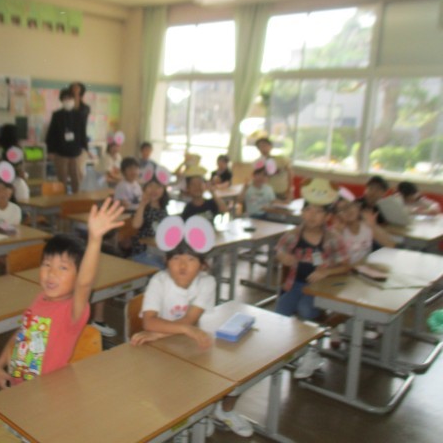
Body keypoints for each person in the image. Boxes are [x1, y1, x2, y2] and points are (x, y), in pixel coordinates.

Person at [0, 199, 124, 443]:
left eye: (63, 268)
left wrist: (94, 239)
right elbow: (23, 333)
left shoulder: (72, 310)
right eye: (47, 264)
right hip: (19, 393)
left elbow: (85, 283)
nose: (51, 273)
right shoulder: (40, 299)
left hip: (43, 406)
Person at [131, 217, 253, 438]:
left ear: (203, 265)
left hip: (186, 344)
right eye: (176, 258)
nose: (183, 265)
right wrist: (181, 330)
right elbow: (149, 322)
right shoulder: (159, 281)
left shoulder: (207, 282)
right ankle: (189, 418)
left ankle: (211, 412)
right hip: (158, 351)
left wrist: (160, 333)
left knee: (231, 371)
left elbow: (189, 320)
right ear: (166, 261)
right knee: (167, 387)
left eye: (191, 258)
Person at [275, 179, 350, 379]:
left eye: (318, 212)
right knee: (280, 311)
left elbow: (346, 266)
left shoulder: (333, 238)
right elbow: (280, 251)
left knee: (306, 310)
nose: (312, 216)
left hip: (319, 288)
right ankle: (291, 349)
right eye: (308, 210)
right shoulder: (293, 235)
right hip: (295, 285)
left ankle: (311, 352)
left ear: (327, 216)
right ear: (302, 212)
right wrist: (283, 257)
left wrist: (327, 272)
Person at [45, 88, 88, 193]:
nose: (67, 100)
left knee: (77, 179)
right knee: (62, 180)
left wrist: (86, 148)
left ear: (73, 99)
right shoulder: (57, 115)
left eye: (70, 98)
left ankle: (76, 200)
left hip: (75, 153)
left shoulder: (79, 115)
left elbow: (83, 133)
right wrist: (50, 151)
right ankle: (62, 199)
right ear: (61, 100)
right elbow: (51, 134)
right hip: (61, 153)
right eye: (65, 98)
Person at [332, 197, 396, 265]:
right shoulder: (337, 231)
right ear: (337, 215)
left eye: (349, 206)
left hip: (368, 266)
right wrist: (338, 234)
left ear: (357, 206)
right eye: (342, 209)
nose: (348, 211)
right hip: (350, 270)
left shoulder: (367, 225)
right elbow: (338, 263)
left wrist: (373, 226)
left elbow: (391, 245)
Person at [129, 167, 170, 268]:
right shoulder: (143, 208)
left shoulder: (163, 209)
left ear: (164, 189)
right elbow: (135, 225)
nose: (154, 190)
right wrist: (142, 204)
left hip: (159, 251)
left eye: (158, 186)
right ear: (144, 188)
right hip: (142, 253)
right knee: (163, 270)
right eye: (150, 186)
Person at [255, 137, 294, 201]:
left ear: (270, 146)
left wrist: (289, 189)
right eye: (260, 147)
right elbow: (257, 178)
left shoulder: (281, 159)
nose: (263, 148)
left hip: (283, 191)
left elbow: (290, 173)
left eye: (265, 145)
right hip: (267, 193)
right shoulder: (258, 162)